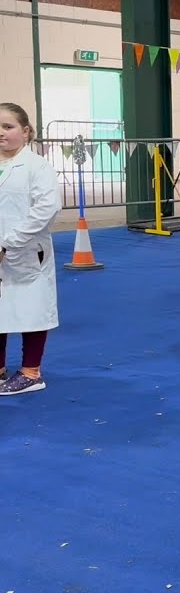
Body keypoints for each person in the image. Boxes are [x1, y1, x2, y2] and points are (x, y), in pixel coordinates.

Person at [0, 103, 62, 396]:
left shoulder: (38, 167)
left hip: (26, 252)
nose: (1, 133)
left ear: (25, 131)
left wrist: (8, 242)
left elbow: (46, 210)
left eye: (7, 127)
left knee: (31, 308)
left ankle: (30, 372)